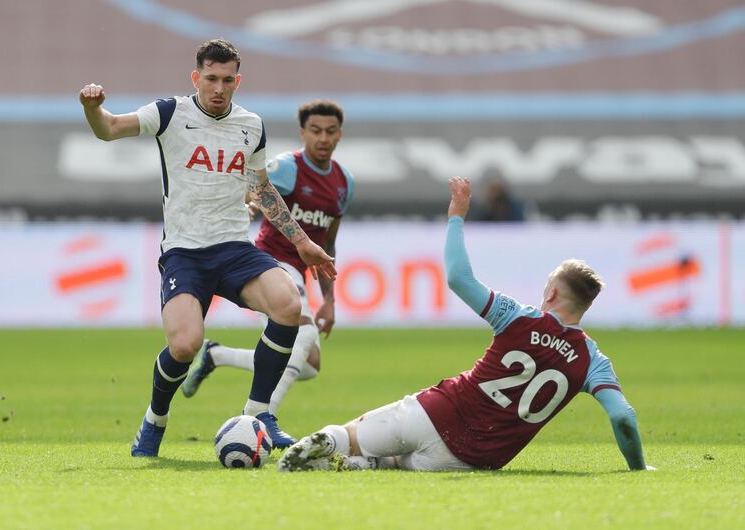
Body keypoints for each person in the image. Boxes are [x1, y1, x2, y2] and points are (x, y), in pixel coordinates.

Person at [278, 176, 654, 472]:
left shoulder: (519, 318)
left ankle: (330, 443)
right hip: (475, 458)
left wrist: (456, 216)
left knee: (353, 434)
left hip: (440, 412)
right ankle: (355, 461)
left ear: (553, 294)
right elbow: (622, 415)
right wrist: (638, 467)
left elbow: (458, 277)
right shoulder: (592, 360)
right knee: (388, 463)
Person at [78, 38, 336, 457]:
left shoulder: (251, 125)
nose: (218, 88)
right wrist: (92, 108)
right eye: (211, 79)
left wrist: (302, 241)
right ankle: (155, 419)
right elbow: (109, 129)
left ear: (238, 81)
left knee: (289, 306)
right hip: (185, 252)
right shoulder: (169, 113)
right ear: (196, 77)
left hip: (235, 247)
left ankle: (259, 414)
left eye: (227, 80)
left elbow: (261, 187)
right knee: (184, 345)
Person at [181, 100, 353, 446]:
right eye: (315, 131)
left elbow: (326, 244)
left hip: (300, 270)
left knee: (309, 365)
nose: (322, 138)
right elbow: (253, 189)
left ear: (339, 135)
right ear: (303, 133)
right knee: (302, 339)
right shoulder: (287, 167)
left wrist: (330, 300)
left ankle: (217, 355)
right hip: (268, 263)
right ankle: (261, 419)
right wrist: (245, 205)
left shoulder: (342, 183)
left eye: (330, 132)